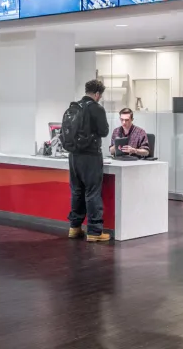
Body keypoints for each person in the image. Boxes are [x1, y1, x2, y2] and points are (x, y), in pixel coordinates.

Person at [67, 79, 111, 243]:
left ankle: (74, 227)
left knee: (77, 191)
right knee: (92, 192)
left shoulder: (75, 106)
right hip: (90, 156)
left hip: (73, 156)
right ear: (98, 94)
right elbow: (104, 131)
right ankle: (94, 231)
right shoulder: (97, 108)